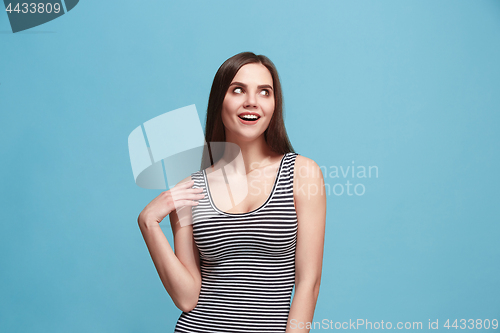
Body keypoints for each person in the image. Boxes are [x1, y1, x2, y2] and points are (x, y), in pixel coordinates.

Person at [138, 52, 326, 332]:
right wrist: (149, 223)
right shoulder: (190, 189)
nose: (252, 101)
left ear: (274, 105)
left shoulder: (301, 173)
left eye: (265, 92)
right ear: (219, 102)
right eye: (238, 90)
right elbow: (187, 298)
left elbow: (308, 284)